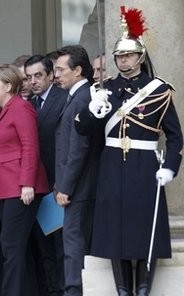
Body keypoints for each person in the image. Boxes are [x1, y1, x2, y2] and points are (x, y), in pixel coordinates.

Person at [75, 7, 183, 296]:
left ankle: (144, 287)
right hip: (112, 163)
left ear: (140, 57)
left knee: (144, 226)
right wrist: (92, 110)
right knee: (115, 228)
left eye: (128, 55)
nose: (123, 60)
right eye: (119, 56)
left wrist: (170, 167)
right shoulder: (104, 89)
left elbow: (175, 137)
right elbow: (82, 129)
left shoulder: (158, 91)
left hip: (145, 164)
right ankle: (123, 289)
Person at [0, 64, 49, 296]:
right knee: (16, 248)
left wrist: (27, 183)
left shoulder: (21, 108)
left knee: (11, 247)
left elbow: (30, 146)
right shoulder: (5, 109)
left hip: (20, 188)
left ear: (8, 86)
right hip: (6, 189)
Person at [53, 45, 100, 296]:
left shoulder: (83, 98)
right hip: (78, 186)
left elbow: (78, 149)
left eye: (60, 69)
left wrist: (65, 187)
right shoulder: (77, 96)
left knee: (74, 245)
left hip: (79, 189)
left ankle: (75, 291)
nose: (56, 75)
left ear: (78, 70)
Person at [24, 54, 67, 296]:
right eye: (29, 77)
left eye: (38, 75)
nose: (33, 81)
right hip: (35, 187)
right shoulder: (27, 104)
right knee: (43, 250)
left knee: (60, 248)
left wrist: (61, 184)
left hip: (57, 186)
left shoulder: (64, 100)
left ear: (51, 75)